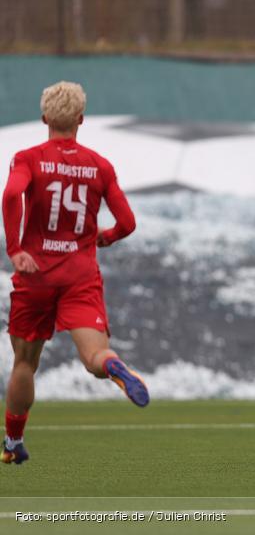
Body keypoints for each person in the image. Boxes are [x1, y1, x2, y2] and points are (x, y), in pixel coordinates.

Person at [2, 81, 146, 465]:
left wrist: (15, 249)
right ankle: (113, 367)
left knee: (25, 363)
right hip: (79, 275)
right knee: (95, 355)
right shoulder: (99, 165)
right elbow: (128, 222)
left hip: (36, 275)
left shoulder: (28, 158)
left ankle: (13, 443)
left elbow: (11, 195)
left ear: (44, 117)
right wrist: (107, 237)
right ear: (82, 119)